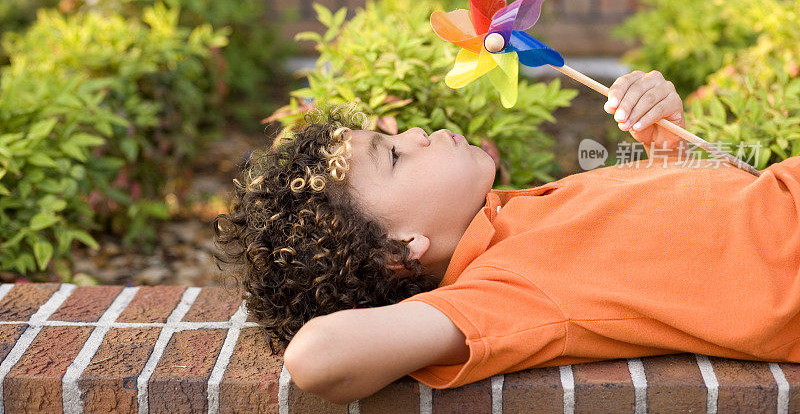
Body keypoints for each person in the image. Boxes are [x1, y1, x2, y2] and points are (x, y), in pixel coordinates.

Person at [213, 70, 800, 405]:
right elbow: (320, 357)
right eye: (390, 156)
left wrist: (662, 138)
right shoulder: (498, 290)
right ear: (400, 250)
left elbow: (676, 242)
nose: (415, 132)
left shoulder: (514, 218)